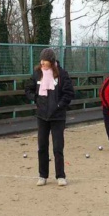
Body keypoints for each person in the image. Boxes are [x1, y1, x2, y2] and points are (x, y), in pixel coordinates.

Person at [25, 48, 75, 187]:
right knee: (42, 146)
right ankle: (42, 175)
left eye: (45, 61)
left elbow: (69, 93)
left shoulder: (62, 74)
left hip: (58, 116)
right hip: (42, 116)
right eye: (41, 60)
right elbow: (28, 89)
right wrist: (35, 99)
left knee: (58, 147)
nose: (42, 63)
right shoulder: (37, 74)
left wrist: (59, 105)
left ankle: (60, 175)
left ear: (52, 62)